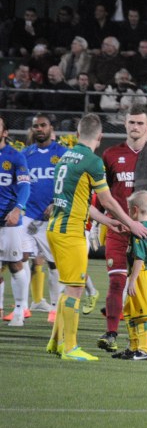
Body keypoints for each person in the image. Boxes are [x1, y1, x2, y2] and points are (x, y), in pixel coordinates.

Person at [46, 114, 147, 360]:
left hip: (56, 228)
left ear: (78, 134)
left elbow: (84, 203)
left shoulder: (65, 158)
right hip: (70, 232)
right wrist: (130, 223)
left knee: (69, 286)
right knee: (75, 289)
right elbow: (107, 200)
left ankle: (55, 343)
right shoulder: (92, 161)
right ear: (100, 136)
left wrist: (108, 221)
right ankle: (70, 347)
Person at [99, 106, 147, 353]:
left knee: (144, 284)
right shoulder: (111, 154)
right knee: (117, 281)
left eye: (140, 123)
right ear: (125, 125)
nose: (135, 127)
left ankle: (145, 337)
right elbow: (102, 192)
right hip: (119, 228)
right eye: (131, 122)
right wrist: (95, 221)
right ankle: (111, 332)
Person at [21, 115, 68, 323]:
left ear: (51, 128)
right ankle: (22, 306)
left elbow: (70, 184)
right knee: (20, 259)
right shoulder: (25, 155)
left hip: (53, 218)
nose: (39, 129)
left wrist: (56, 203)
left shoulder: (63, 154)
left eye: (43, 125)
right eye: (35, 126)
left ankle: (55, 307)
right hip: (28, 217)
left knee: (54, 264)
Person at [115, 191, 147, 361]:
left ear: (135, 210)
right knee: (130, 311)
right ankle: (132, 347)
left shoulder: (139, 232)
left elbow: (139, 258)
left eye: (128, 209)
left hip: (141, 275)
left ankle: (143, 350)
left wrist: (133, 280)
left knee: (141, 313)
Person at [0, 116, 31, 327]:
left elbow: (25, 186)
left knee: (14, 264)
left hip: (8, 220)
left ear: (5, 132)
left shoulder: (15, 156)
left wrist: (18, 209)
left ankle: (20, 309)